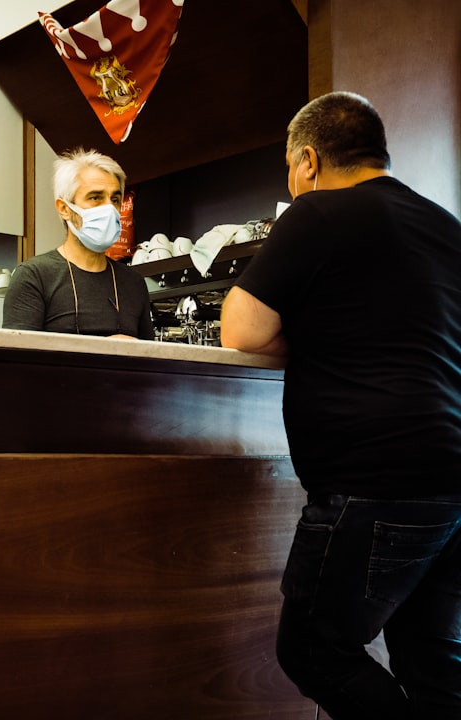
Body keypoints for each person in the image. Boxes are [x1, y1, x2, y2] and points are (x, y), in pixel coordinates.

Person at [221, 91, 461, 719]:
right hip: (453, 476)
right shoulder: (446, 225)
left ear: (306, 160)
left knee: (314, 650)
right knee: (433, 662)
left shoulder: (318, 213)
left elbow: (240, 330)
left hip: (375, 475)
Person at [2, 148, 153, 339]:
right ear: (64, 209)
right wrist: (104, 350)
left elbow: (150, 361)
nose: (109, 208)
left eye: (115, 199)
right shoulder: (34, 277)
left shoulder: (134, 283)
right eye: (95, 197)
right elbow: (15, 360)